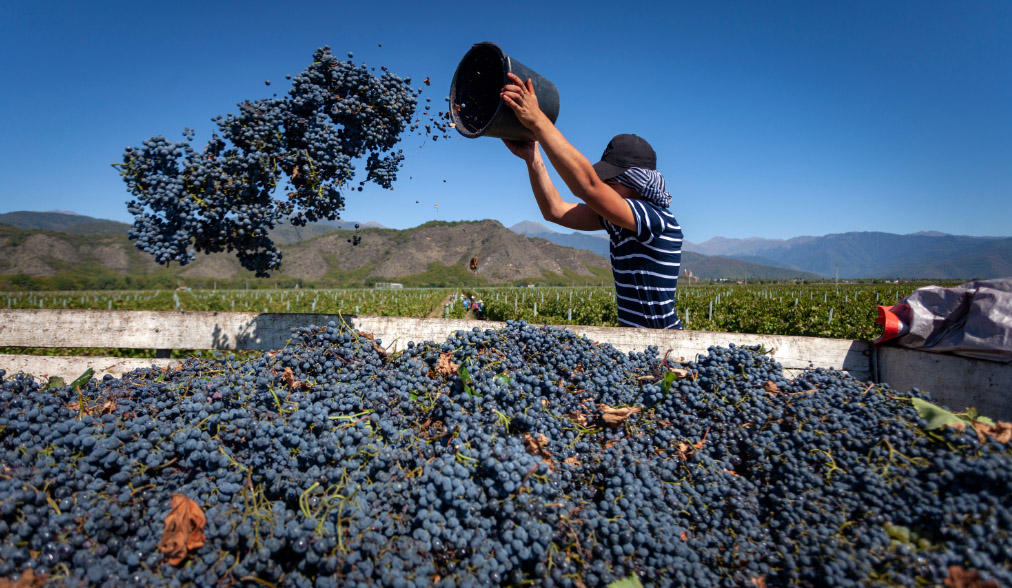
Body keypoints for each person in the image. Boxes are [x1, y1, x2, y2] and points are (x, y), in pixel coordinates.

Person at [500, 73, 683, 329]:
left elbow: (587, 187)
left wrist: (538, 121)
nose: (605, 186)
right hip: (632, 342)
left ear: (636, 181)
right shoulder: (617, 222)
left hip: (663, 343)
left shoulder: (655, 219)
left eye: (611, 180)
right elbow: (555, 211)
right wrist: (533, 158)